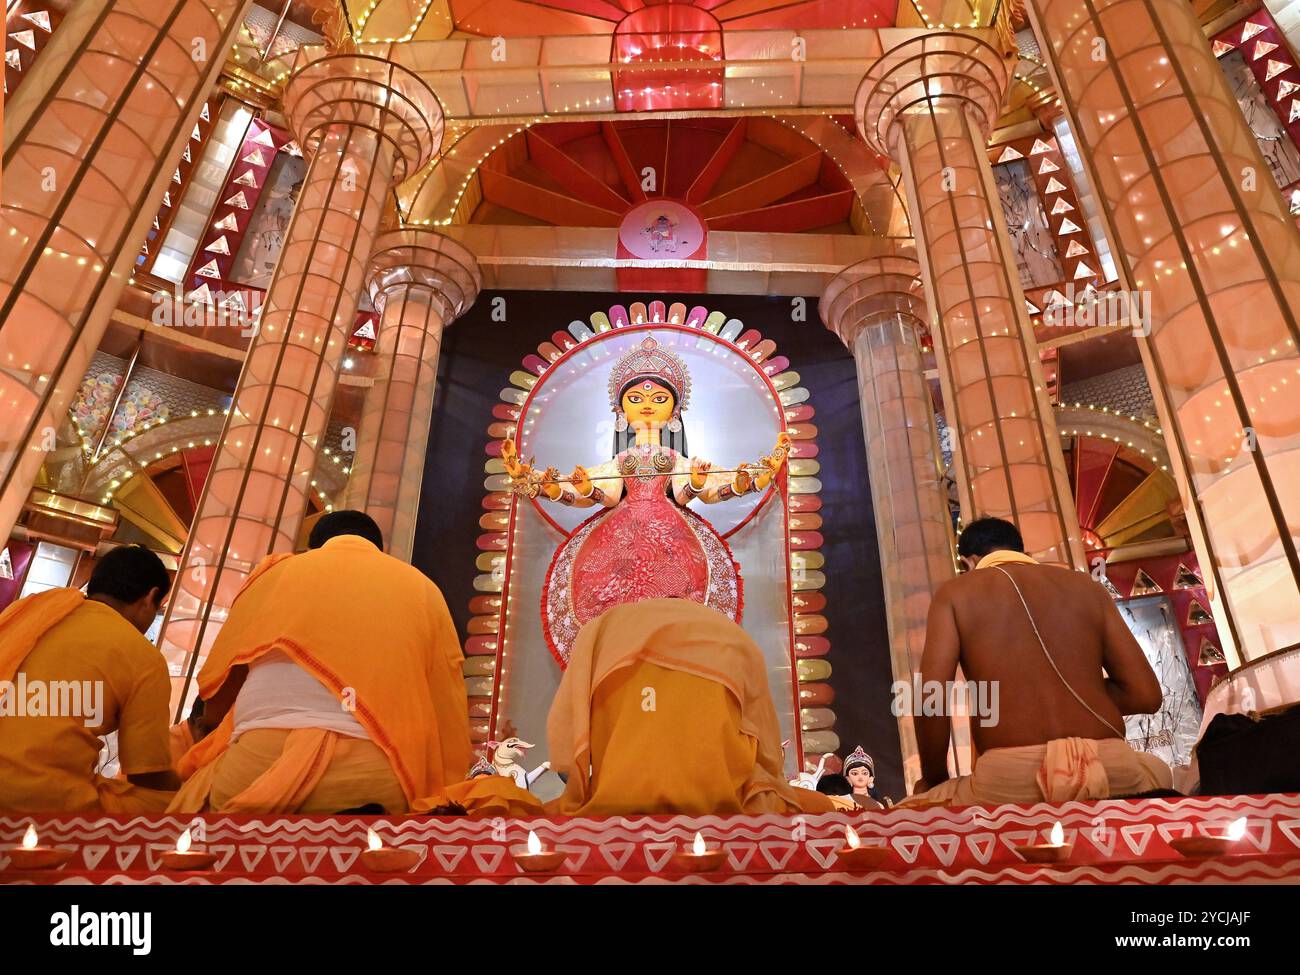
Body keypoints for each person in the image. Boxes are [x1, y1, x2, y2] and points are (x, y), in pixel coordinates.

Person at [170, 510, 511, 815]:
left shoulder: (274, 575)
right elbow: (446, 708)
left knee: (193, 798)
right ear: (379, 551)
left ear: (313, 549)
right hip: (375, 780)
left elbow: (214, 700)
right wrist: (439, 788)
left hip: (250, 772)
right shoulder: (421, 587)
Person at [903, 517, 1171, 807]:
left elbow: (932, 699)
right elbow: (1146, 696)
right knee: (1158, 771)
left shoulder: (955, 593)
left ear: (969, 563)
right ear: (1022, 553)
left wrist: (934, 779)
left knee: (909, 812)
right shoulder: (1088, 587)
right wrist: (1080, 695)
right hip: (1111, 767)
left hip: (1012, 779)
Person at [547, 597, 834, 815]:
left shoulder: (604, 634)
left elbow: (566, 752)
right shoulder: (730, 640)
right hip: (731, 801)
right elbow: (768, 752)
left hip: (606, 803)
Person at [0, 545, 178, 812]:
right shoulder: (142, 656)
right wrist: (191, 785)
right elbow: (146, 773)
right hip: (37, 800)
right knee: (174, 804)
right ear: (150, 597)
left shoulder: (33, 611)